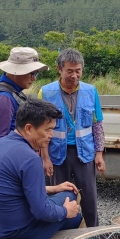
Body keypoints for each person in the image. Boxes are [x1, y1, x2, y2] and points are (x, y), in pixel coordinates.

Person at [0, 97, 82, 239]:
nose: (51, 135)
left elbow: (14, 188)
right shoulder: (29, 158)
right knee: (70, 198)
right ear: (29, 129)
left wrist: (53, 188)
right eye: (47, 130)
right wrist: (65, 211)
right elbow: (42, 211)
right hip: (19, 237)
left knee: (64, 199)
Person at [38, 48, 106, 227]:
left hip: (85, 153)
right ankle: (62, 234)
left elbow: (97, 125)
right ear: (59, 69)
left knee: (89, 198)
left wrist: (99, 154)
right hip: (57, 154)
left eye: (78, 71)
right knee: (61, 197)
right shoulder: (45, 92)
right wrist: (45, 158)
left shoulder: (91, 91)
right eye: (70, 71)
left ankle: (93, 233)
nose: (74, 75)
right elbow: (41, 130)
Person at [0, 47, 48, 153]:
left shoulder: (1, 87)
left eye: (36, 73)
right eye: (32, 73)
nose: (34, 78)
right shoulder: (3, 99)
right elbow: (1, 143)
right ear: (16, 71)